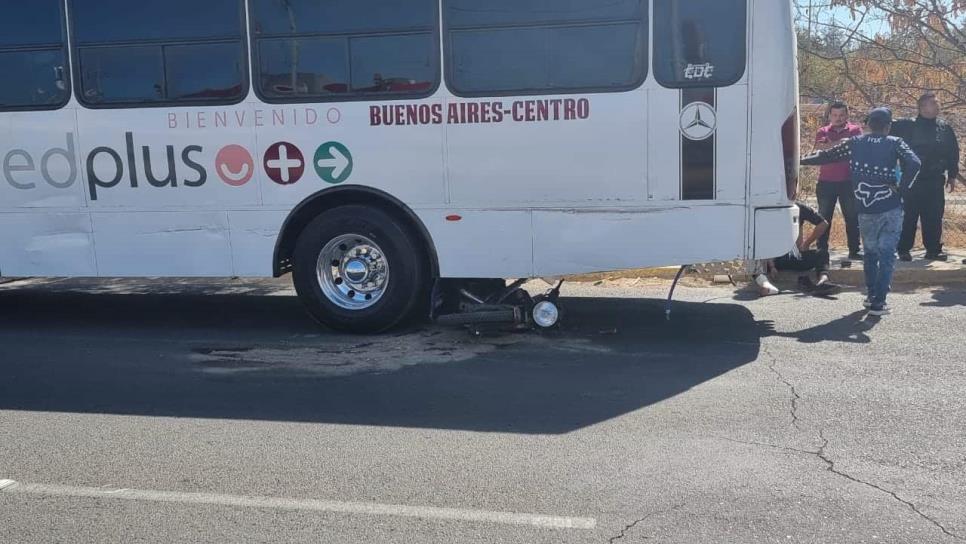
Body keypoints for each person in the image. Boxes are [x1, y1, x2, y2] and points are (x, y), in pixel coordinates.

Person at [801, 108, 921, 316]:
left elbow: (826, 156)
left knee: (870, 253)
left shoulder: (855, 142)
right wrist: (901, 188)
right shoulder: (895, 142)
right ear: (887, 126)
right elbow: (914, 163)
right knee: (887, 254)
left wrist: (798, 159)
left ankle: (871, 295)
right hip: (890, 207)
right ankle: (879, 302)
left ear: (867, 125)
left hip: (865, 209)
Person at [891, 93, 961, 262]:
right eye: (932, 104)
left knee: (934, 215)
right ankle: (903, 249)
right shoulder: (906, 126)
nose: (937, 106)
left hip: (935, 179)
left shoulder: (944, 127)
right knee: (909, 216)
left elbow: (953, 152)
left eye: (938, 103)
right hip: (912, 180)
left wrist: (952, 175)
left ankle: (933, 249)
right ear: (922, 107)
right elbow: (885, 132)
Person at [754, 202, 839, 297]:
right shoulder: (769, 208)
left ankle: (823, 280)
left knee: (822, 253)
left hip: (794, 257)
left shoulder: (799, 207)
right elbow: (765, 239)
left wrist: (807, 243)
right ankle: (766, 286)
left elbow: (823, 224)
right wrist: (772, 265)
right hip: (775, 260)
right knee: (753, 260)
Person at [814, 102, 863, 260]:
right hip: (826, 181)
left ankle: (854, 250)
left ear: (847, 115)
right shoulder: (823, 131)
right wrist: (842, 143)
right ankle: (821, 250)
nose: (838, 118)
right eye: (834, 115)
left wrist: (831, 146)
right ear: (829, 116)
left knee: (851, 216)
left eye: (841, 115)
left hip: (848, 181)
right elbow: (820, 149)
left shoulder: (855, 130)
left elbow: (857, 148)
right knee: (823, 217)